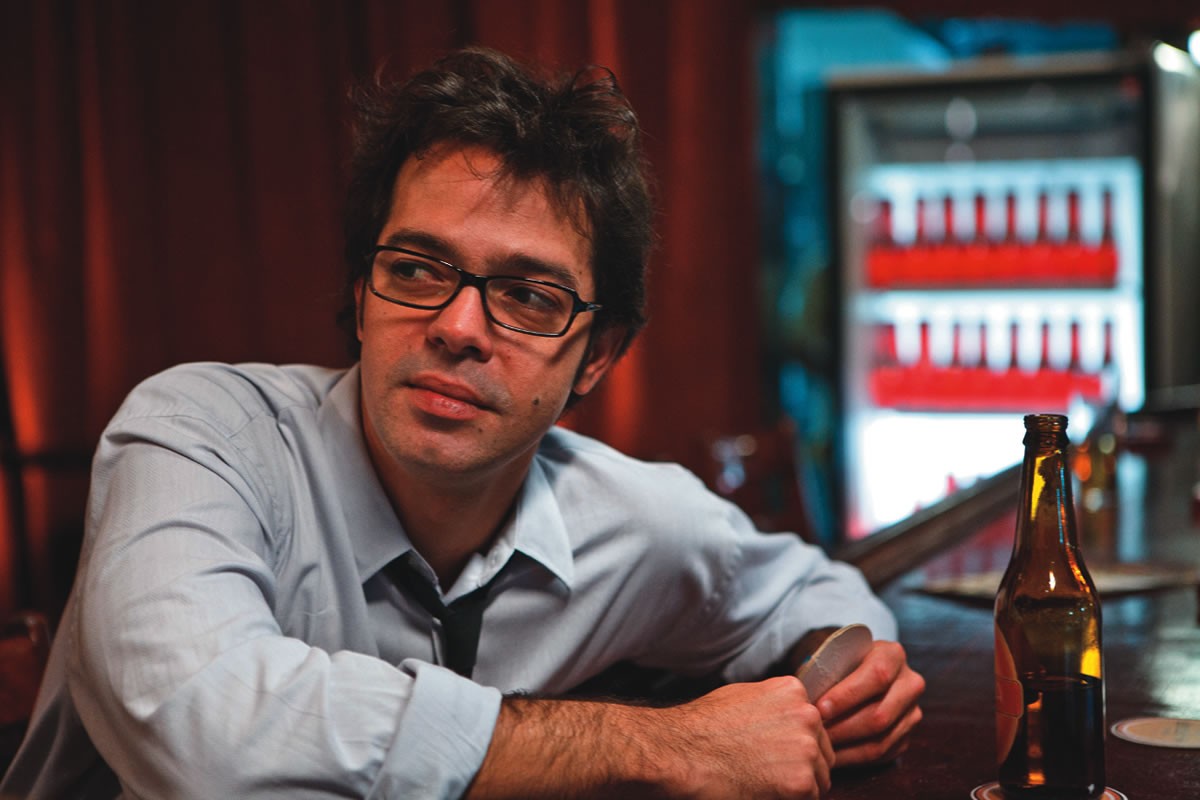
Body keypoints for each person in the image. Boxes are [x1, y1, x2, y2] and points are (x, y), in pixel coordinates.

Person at [2, 47, 923, 799]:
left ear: (596, 357)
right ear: (362, 294)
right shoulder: (200, 438)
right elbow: (203, 736)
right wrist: (662, 745)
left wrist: (846, 682)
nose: (458, 326)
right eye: (415, 269)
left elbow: (818, 597)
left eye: (527, 296)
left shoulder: (628, 517)